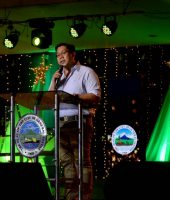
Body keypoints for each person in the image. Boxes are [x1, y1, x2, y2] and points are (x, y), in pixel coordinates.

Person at [49, 43, 101, 200]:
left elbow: (95, 96)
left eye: (63, 53)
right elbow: (49, 99)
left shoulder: (86, 72)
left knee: (81, 162)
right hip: (61, 125)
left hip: (79, 122)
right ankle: (71, 197)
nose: (60, 57)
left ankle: (84, 197)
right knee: (66, 163)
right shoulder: (59, 77)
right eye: (57, 55)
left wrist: (75, 97)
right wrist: (53, 81)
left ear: (72, 54)